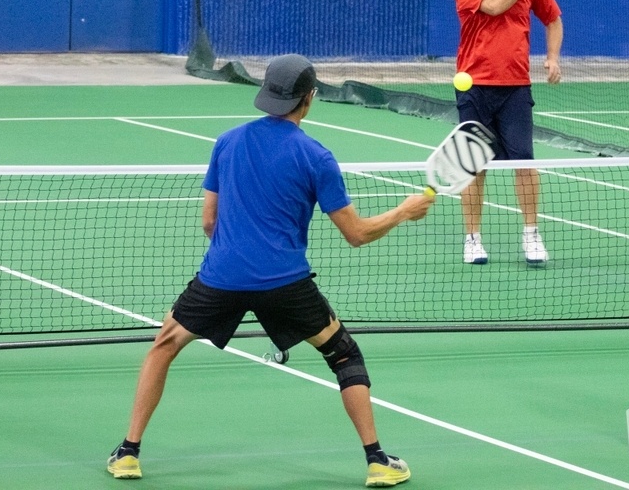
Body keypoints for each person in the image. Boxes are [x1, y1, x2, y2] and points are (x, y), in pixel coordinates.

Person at [107, 54, 435, 486]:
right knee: (343, 355)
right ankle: (377, 461)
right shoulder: (317, 156)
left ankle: (128, 453)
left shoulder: (227, 142)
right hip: (286, 285)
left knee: (163, 346)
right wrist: (404, 211)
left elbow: (209, 221)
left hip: (219, 278)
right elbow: (356, 233)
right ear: (310, 99)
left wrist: (236, 255)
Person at [453, 0, 562, 266]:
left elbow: (554, 19)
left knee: (524, 164)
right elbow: (496, 5)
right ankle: (472, 239)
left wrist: (553, 57)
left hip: (516, 88)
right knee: (473, 166)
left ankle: (531, 235)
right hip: (475, 88)